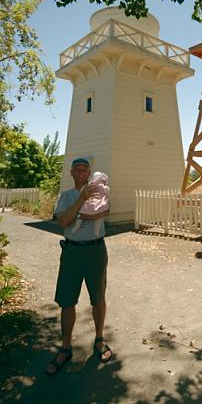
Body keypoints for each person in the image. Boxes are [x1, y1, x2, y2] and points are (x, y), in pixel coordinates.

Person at [46, 158, 112, 375]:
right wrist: (81, 200)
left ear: (90, 173)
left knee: (98, 297)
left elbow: (103, 212)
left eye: (85, 170)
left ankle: (100, 339)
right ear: (72, 173)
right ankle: (65, 348)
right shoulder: (66, 196)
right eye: (77, 169)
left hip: (95, 250)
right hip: (72, 251)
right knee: (67, 300)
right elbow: (63, 222)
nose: (81, 173)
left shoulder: (99, 191)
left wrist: (77, 213)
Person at [72, 171, 110, 236]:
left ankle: (76, 226)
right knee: (99, 217)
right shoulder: (103, 186)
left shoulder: (89, 184)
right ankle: (96, 230)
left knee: (81, 214)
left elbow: (82, 190)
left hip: (89, 203)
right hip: (98, 204)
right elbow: (107, 193)